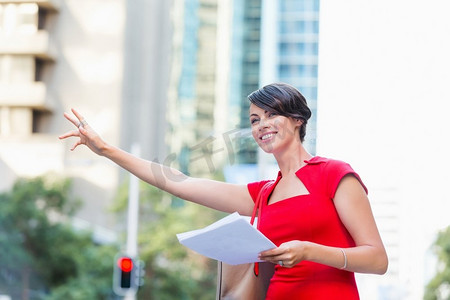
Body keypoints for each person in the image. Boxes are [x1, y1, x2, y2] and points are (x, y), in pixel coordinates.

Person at [59, 82, 388, 299]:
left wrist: (309, 251)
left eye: (272, 114)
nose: (262, 125)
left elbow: (376, 258)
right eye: (255, 119)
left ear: (298, 119)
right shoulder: (262, 194)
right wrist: (107, 151)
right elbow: (178, 181)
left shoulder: (334, 174)